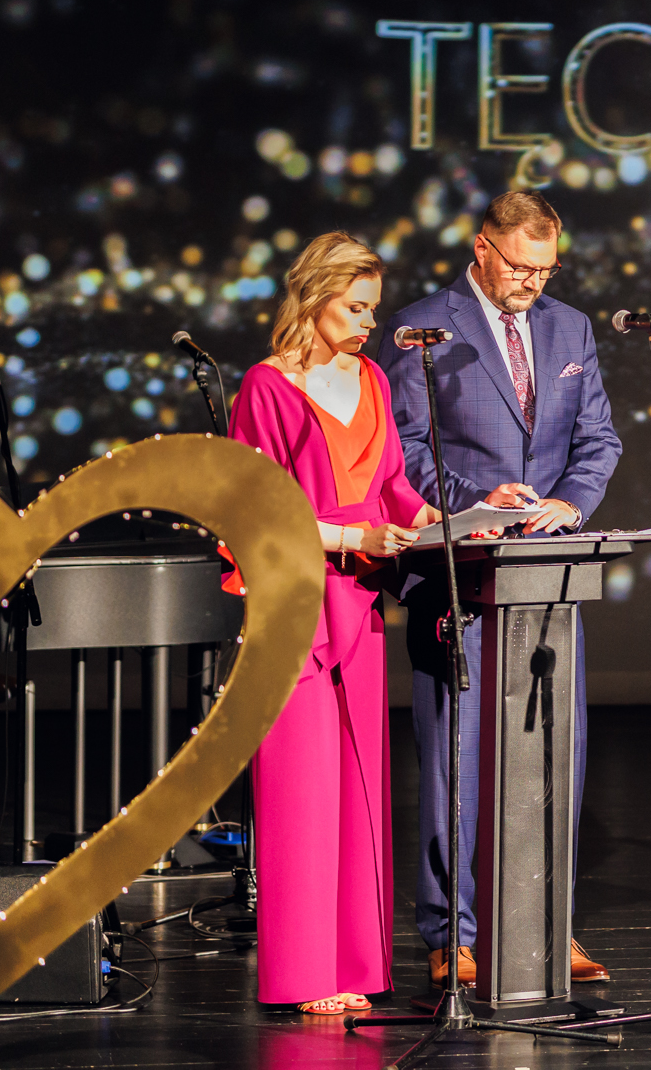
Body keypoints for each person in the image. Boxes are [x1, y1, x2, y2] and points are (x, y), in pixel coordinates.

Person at [378, 191, 622, 989]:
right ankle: (451, 931)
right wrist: (475, 503)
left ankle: (546, 922)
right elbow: (404, 452)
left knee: (555, 754)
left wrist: (569, 502)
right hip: (459, 573)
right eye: (521, 265)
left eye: (547, 268)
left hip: (546, 573)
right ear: (482, 247)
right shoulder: (421, 328)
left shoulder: (570, 328)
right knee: (456, 758)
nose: (532, 281)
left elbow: (598, 439)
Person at [224, 231, 438, 1014]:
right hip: (296, 604)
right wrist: (353, 537)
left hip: (358, 604)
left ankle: (355, 963)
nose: (369, 323)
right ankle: (306, 972)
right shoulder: (268, 386)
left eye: (373, 309)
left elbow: (392, 484)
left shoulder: (373, 377)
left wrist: (440, 517)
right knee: (302, 788)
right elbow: (257, 511)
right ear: (314, 298)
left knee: (357, 788)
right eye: (355, 307)